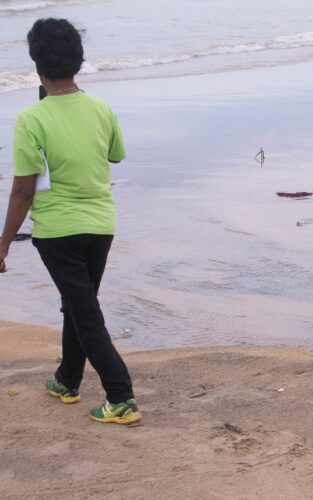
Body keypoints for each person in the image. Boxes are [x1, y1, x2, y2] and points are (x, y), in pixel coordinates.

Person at [0, 18, 141, 425]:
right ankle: (68, 380)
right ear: (79, 62)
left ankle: (121, 397)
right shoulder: (102, 109)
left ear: (35, 64)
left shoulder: (32, 119)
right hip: (101, 225)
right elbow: (114, 155)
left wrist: (4, 242)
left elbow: (23, 191)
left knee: (84, 313)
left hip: (59, 232)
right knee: (78, 307)